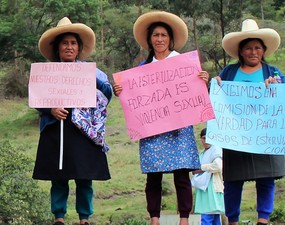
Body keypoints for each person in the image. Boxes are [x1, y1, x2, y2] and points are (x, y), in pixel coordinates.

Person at [113, 11, 209, 225]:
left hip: (179, 127)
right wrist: (121, 90)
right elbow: (133, 97)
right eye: (155, 35)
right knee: (153, 175)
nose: (159, 39)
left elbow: (195, 92)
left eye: (163, 35)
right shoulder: (142, 69)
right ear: (150, 40)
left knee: (182, 174)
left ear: (170, 39)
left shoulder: (184, 64)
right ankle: (154, 219)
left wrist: (203, 79)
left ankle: (184, 219)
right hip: (152, 128)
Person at [32, 17, 112, 225]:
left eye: (73, 43)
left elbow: (107, 93)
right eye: (65, 43)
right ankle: (59, 216)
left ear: (78, 48)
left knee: (84, 176)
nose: (69, 47)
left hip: (83, 130)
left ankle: (84, 217)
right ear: (58, 48)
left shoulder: (93, 71)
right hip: (55, 129)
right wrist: (50, 109)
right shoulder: (46, 73)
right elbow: (35, 98)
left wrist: (90, 78)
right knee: (58, 176)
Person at [206, 19, 285, 225]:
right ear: (240, 51)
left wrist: (275, 87)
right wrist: (214, 86)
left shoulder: (273, 72)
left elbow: (284, 99)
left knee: (266, 178)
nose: (253, 52)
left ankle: (263, 219)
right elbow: (216, 99)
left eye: (257, 48)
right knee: (233, 180)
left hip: (265, 135)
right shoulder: (229, 73)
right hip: (236, 136)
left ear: (263, 50)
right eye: (248, 48)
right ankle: (233, 220)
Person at [192, 128, 224, 225]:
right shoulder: (202, 153)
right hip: (203, 189)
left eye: (208, 138)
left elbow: (218, 166)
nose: (206, 140)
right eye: (204, 138)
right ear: (201, 139)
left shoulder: (216, 149)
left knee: (207, 217)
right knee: (214, 219)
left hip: (212, 188)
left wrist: (201, 168)